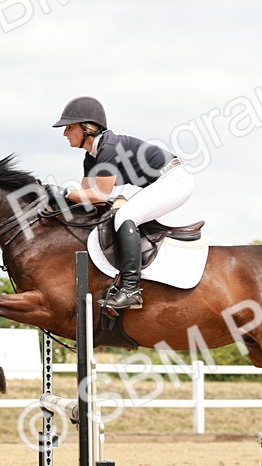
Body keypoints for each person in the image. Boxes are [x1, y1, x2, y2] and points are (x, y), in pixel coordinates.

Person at [53, 96, 194, 310]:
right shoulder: (91, 157)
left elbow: (100, 196)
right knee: (119, 214)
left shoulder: (108, 148)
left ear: (87, 128)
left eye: (69, 127)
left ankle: (130, 290)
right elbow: (86, 200)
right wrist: (55, 201)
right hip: (162, 181)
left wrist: (62, 192)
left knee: (125, 216)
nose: (64, 133)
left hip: (174, 180)